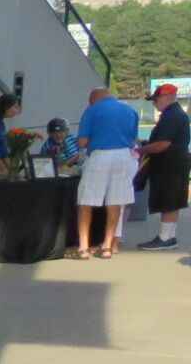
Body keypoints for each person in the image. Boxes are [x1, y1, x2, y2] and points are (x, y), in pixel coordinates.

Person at [74, 86, 141, 260]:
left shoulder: (92, 110)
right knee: (115, 201)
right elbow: (133, 138)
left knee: (86, 200)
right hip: (124, 156)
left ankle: (83, 246)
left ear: (94, 99)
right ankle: (107, 246)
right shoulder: (130, 111)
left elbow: (82, 141)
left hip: (100, 155)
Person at [133, 83, 190, 250]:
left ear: (165, 97)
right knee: (175, 200)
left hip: (169, 163)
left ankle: (164, 237)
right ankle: (170, 235)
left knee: (168, 200)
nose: (154, 104)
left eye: (156, 100)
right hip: (178, 161)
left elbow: (163, 144)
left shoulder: (171, 116)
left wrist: (141, 150)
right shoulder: (178, 114)